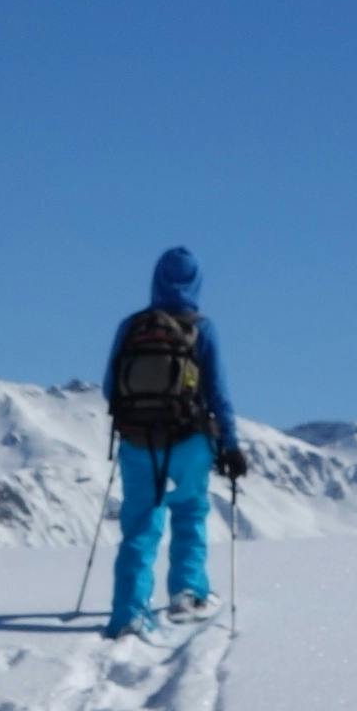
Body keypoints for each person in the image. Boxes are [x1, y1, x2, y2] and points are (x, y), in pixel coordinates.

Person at [101, 246, 246, 638]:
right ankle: (187, 593)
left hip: (138, 440)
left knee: (140, 525)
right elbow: (218, 393)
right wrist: (230, 445)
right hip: (190, 440)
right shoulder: (202, 328)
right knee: (189, 511)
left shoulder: (131, 327)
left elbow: (111, 388)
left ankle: (129, 613)